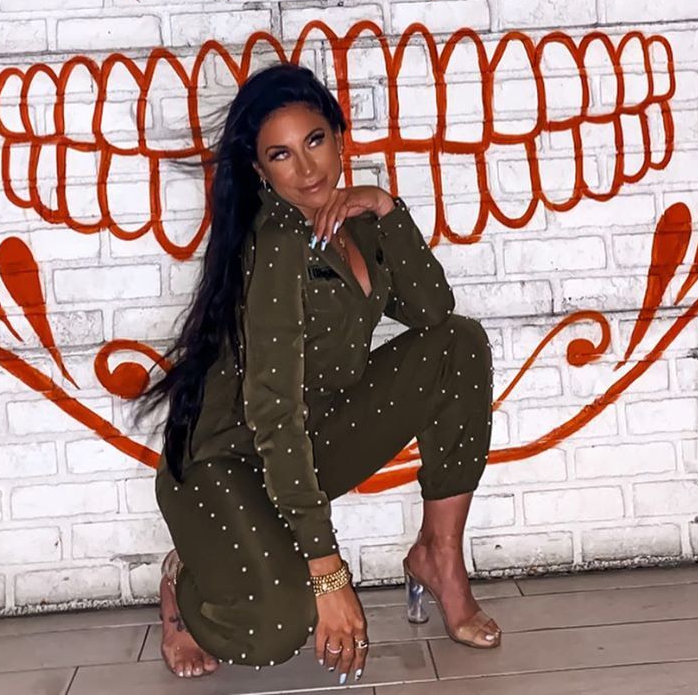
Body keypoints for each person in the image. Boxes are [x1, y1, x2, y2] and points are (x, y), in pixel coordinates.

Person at [140, 61, 501, 682]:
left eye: (314, 141)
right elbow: (274, 412)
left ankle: (439, 557)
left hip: (308, 442)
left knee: (458, 348)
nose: (307, 169)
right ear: (260, 170)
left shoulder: (350, 222)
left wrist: (385, 207)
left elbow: (432, 311)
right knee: (276, 630)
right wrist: (328, 575)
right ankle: (184, 584)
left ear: (339, 136)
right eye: (281, 155)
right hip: (228, 465)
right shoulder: (277, 242)